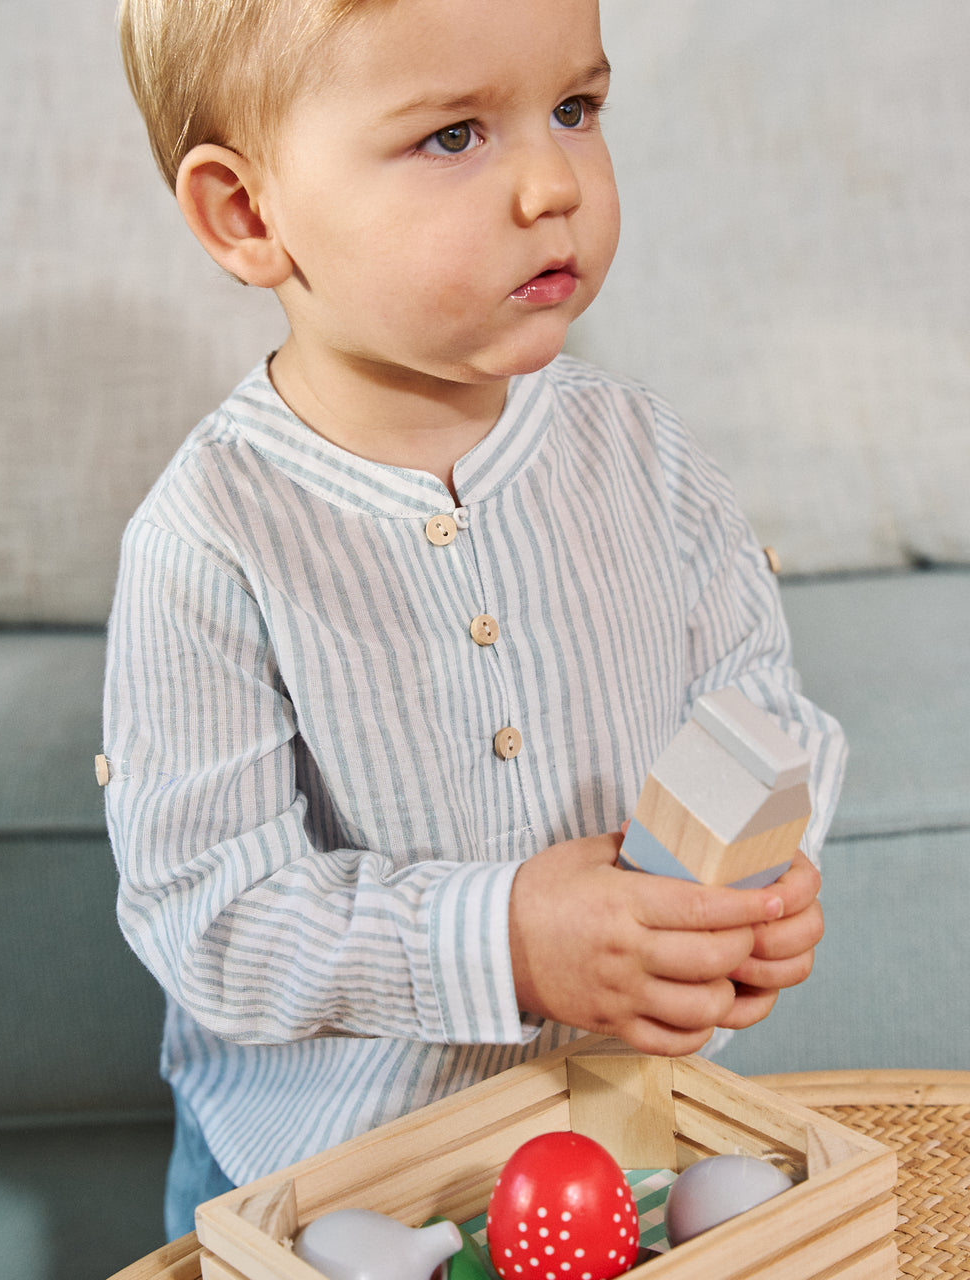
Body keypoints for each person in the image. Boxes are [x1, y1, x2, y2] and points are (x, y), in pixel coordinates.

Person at [104, 0, 846, 1239]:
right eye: (454, 136)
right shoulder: (208, 539)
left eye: (574, 109)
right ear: (248, 213)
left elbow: (759, 708)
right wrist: (501, 937)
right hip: (332, 1189)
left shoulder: (645, 454)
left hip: (626, 1135)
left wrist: (759, 880)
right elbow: (211, 919)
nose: (552, 184)